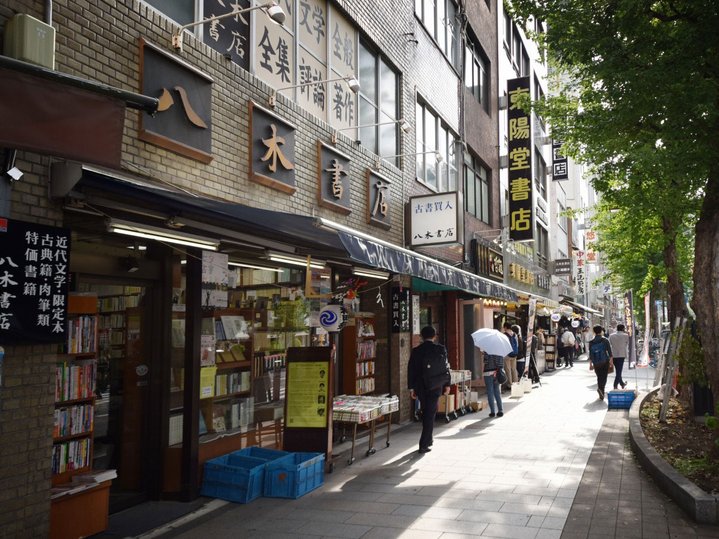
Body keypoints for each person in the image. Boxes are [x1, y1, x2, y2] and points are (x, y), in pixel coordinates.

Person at [408, 326, 451, 453]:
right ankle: (423, 444)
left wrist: (412, 388)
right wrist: (447, 384)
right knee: (429, 413)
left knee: (427, 411)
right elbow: (446, 367)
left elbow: (411, 370)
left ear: (421, 336)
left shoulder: (416, 351)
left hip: (421, 386)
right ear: (434, 336)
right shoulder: (440, 349)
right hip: (436, 385)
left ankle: (429, 438)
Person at [588, 324, 613, 399]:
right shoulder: (605, 340)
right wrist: (611, 362)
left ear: (594, 332)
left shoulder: (591, 342)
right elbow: (610, 352)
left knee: (599, 376)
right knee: (604, 376)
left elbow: (591, 354)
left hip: (596, 362)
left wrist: (590, 364)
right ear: (601, 331)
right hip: (605, 361)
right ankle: (601, 389)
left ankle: (600, 389)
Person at [482, 351, 504, 417]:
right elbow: (501, 364)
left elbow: (486, 361)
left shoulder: (487, 349)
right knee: (497, 391)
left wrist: (484, 355)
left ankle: (492, 412)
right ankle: (500, 410)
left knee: (490, 392)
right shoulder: (500, 350)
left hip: (488, 373)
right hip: (497, 373)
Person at [609, 324, 629, 389]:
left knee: (618, 370)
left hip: (613, 354)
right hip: (621, 354)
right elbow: (627, 343)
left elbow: (610, 344)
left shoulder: (611, 336)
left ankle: (622, 383)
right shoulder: (626, 336)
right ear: (623, 329)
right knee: (619, 371)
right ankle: (615, 385)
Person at [502, 322, 519, 388]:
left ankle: (510, 384)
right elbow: (517, 345)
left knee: (508, 369)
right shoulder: (515, 334)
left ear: (505, 327)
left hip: (507, 354)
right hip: (514, 354)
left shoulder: (504, 335)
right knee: (514, 369)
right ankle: (516, 383)